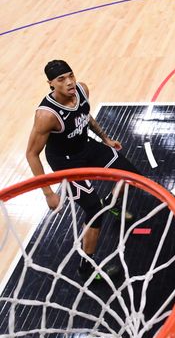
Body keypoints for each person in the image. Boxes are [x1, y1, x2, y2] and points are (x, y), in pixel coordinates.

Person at [25, 60, 140, 280]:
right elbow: (31, 154)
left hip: (85, 146)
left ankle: (111, 204)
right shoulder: (46, 115)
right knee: (93, 211)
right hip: (65, 162)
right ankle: (86, 268)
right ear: (50, 84)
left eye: (71, 75)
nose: (69, 82)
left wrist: (105, 138)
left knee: (131, 176)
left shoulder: (82, 90)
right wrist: (48, 193)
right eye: (61, 79)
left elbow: (85, 116)